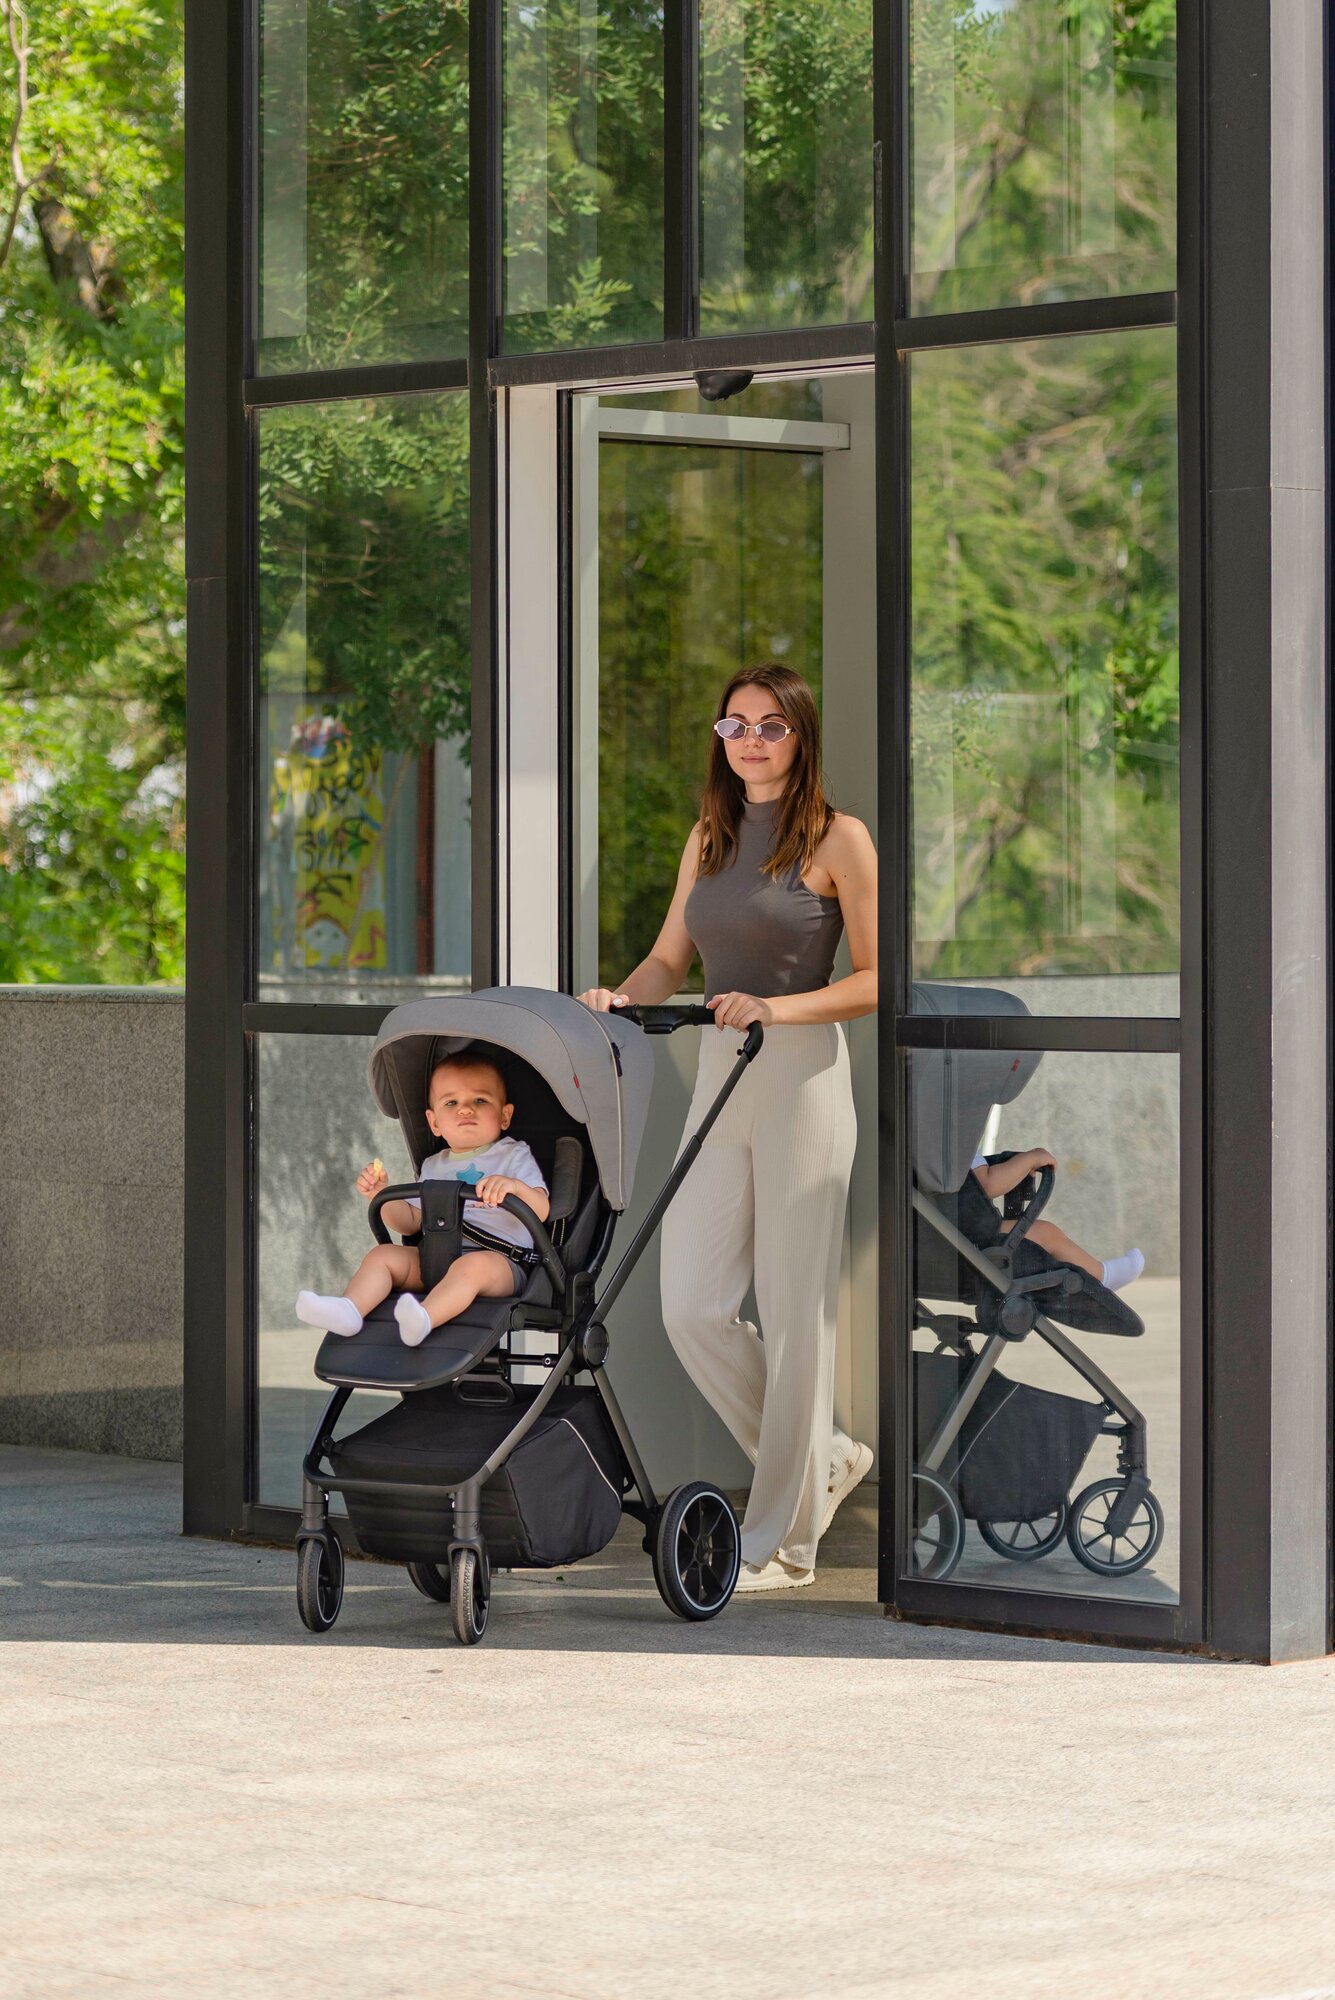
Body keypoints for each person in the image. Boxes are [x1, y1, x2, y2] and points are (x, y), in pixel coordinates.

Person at [580, 663, 877, 1593]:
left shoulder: (838, 838)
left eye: (770, 725)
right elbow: (670, 958)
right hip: (721, 1067)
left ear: (800, 736)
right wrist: (618, 997)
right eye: (734, 725)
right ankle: (823, 1458)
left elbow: (876, 979)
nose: (750, 740)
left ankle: (784, 1544)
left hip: (799, 1075)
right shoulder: (708, 836)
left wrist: (777, 1009)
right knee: (692, 1307)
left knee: (794, 1315)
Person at [294, 1050, 549, 1348]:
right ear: (434, 1122)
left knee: (472, 1267)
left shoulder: (514, 1155)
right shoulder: (433, 1165)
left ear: (505, 1115)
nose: (465, 1110)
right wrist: (380, 1194)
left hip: (500, 1263)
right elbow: (411, 1222)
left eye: (480, 1100)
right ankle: (350, 1310)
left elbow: (541, 1210)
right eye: (451, 1103)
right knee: (383, 1256)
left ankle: (424, 1318)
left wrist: (515, 1187)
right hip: (436, 1258)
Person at [970, 1147, 1145, 1292]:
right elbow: (985, 1185)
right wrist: (1030, 1159)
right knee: (1046, 1234)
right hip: (970, 1245)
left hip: (955, 1240)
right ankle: (1102, 1277)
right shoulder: (959, 1133)